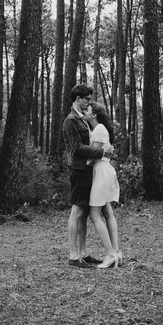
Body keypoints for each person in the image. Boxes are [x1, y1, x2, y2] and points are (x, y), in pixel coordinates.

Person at [61, 84, 114, 268]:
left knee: (83, 213)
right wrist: (101, 152)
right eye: (87, 99)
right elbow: (77, 149)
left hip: (88, 171)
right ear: (78, 99)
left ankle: (83, 253)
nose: (89, 102)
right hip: (78, 170)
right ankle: (73, 255)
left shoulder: (82, 120)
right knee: (76, 212)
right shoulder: (70, 121)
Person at [85, 101, 122, 268]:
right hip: (104, 170)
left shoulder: (99, 128)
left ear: (94, 114)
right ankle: (116, 252)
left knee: (94, 214)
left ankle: (109, 254)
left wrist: (84, 158)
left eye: (88, 109)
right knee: (107, 211)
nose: (85, 111)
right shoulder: (99, 129)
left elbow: (93, 154)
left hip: (101, 172)